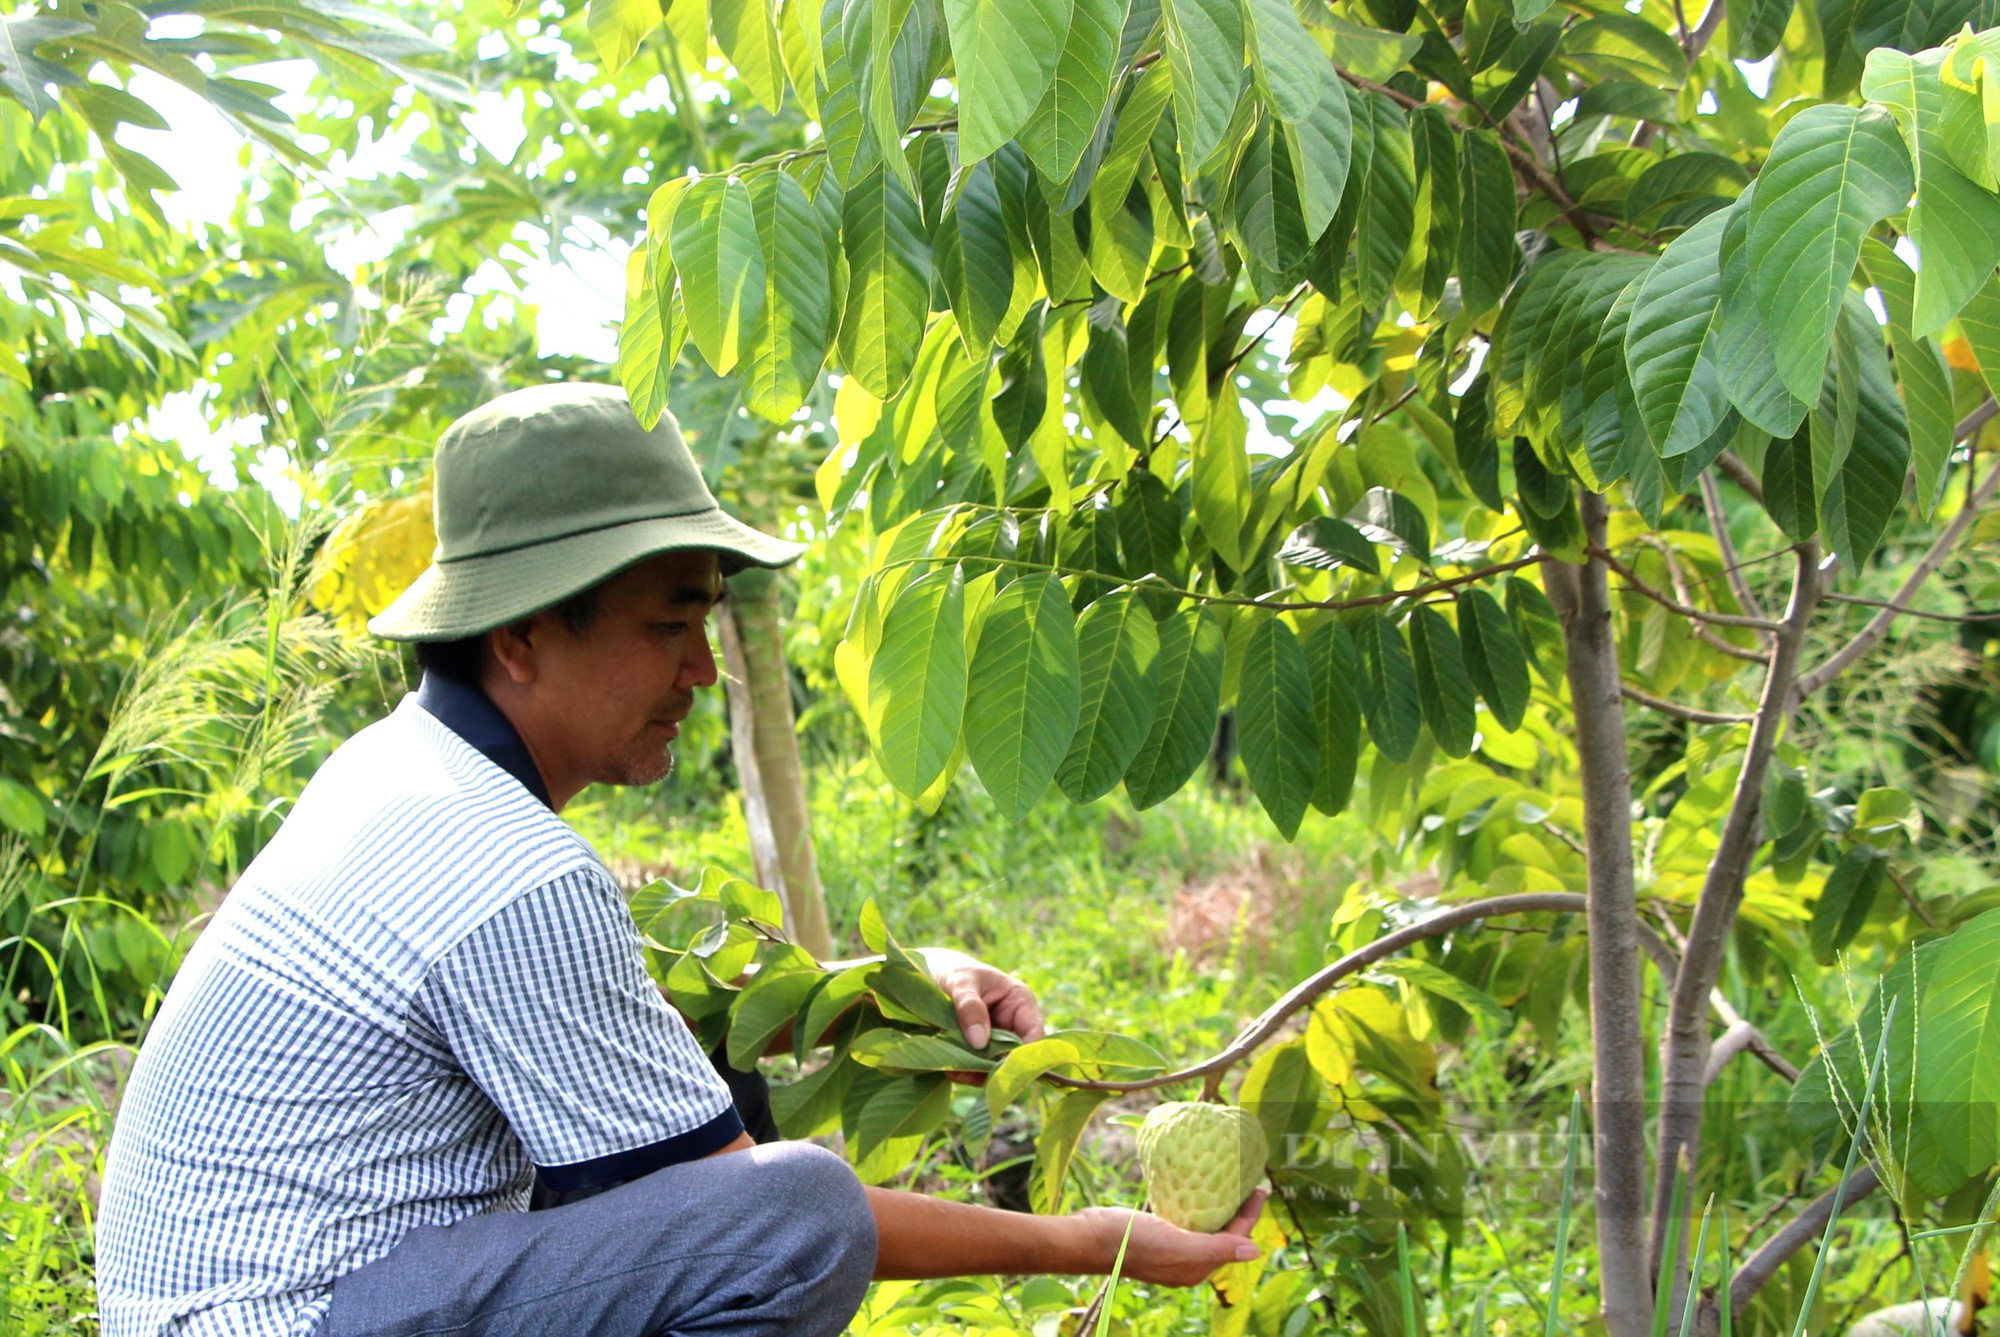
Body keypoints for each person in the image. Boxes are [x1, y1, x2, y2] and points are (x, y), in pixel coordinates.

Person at [95, 383, 1264, 1337]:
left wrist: (883, 1005)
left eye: (704, 621)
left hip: (269, 1295)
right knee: (794, 1204)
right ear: (520, 636)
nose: (702, 669)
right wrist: (1098, 1237)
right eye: (668, 622)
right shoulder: (504, 866)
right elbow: (772, 1216)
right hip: (287, 1312)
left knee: (720, 1089)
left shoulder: (400, 768)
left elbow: (637, 1041)